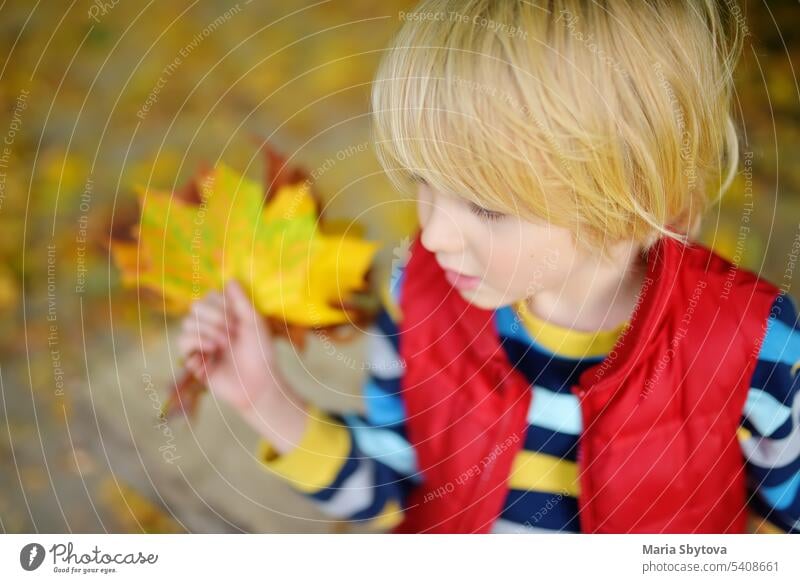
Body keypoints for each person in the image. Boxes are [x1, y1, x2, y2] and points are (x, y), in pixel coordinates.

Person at [176, 0, 800, 533]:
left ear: (642, 206)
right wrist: (266, 402)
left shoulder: (753, 347)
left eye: (487, 207)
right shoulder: (419, 296)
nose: (433, 232)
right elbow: (395, 489)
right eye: (425, 181)